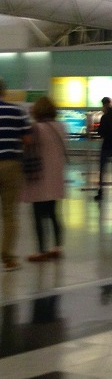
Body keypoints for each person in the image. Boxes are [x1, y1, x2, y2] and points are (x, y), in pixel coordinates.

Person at [21, 97, 68, 262]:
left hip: (39, 176)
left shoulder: (36, 128)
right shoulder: (61, 126)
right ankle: (57, 247)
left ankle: (41, 250)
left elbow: (27, 144)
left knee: (38, 214)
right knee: (54, 213)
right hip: (56, 176)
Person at [0, 78, 32, 271]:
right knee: (9, 213)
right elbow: (27, 139)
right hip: (11, 165)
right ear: (4, 92)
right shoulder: (17, 111)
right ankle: (8, 258)